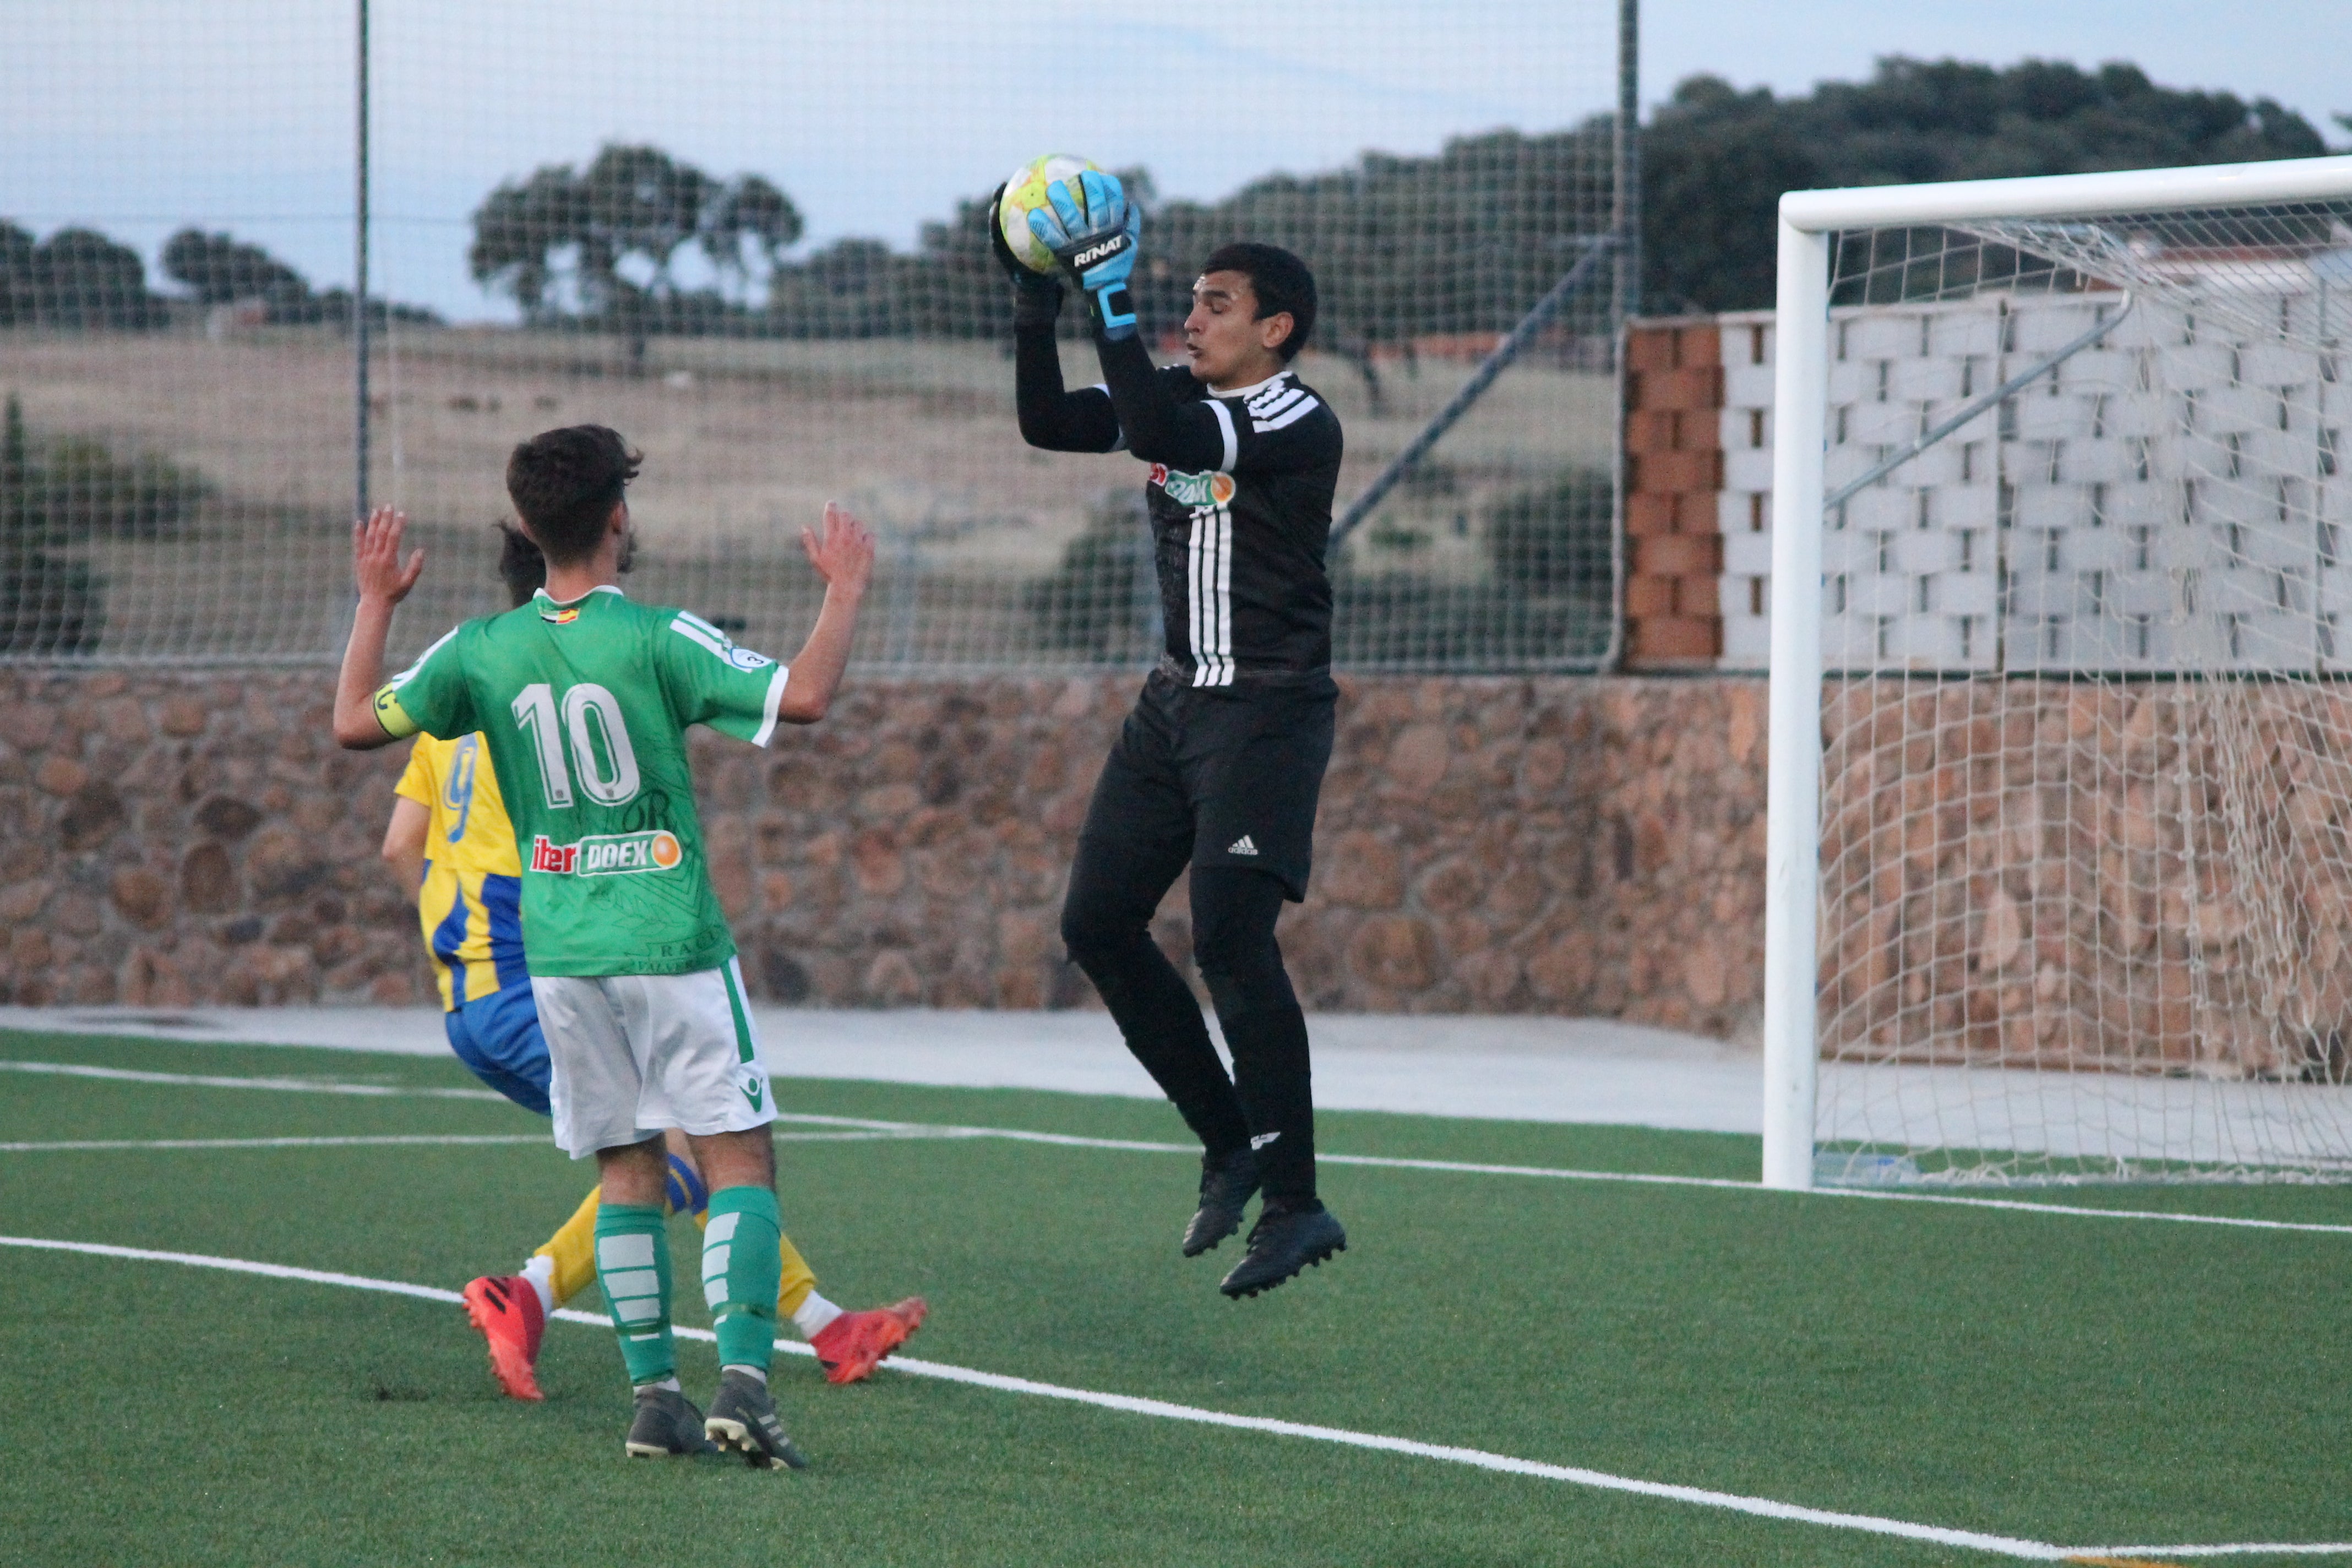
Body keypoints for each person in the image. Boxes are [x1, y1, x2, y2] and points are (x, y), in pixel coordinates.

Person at [335, 424, 872, 1467]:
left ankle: (656, 1400)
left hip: (563, 953)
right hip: (668, 938)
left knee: (628, 1166)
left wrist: (376, 602)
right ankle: (750, 1388)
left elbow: (355, 721)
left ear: (529, 528)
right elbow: (802, 697)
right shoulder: (661, 635)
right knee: (737, 1158)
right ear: (618, 518)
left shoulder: (477, 651)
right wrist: (844, 590)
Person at [993, 172, 1348, 1298]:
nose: (1191, 319)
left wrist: (1113, 305)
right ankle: (1230, 1142)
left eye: (1216, 304)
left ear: (1275, 328)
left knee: (1233, 938)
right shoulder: (1187, 396)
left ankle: (1296, 1203)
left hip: (1266, 711)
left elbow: (1154, 422)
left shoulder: (1292, 413)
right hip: (1174, 708)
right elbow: (1053, 422)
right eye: (1186, 301)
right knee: (1097, 921)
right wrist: (1032, 299)